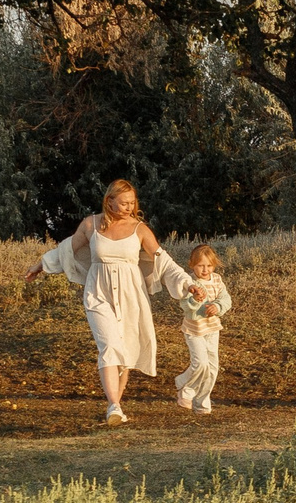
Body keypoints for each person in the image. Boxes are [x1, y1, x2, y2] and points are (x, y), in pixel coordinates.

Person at [19, 178, 190, 426]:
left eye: (132, 203)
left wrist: (187, 283)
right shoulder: (91, 224)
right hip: (98, 293)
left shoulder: (139, 229)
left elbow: (163, 260)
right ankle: (114, 406)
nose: (129, 208)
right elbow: (67, 249)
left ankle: (116, 407)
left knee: (125, 349)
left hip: (131, 295)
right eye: (123, 203)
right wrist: (40, 266)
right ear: (109, 201)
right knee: (109, 345)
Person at [172, 244, 231, 414]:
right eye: (200, 266)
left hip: (212, 328)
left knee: (212, 368)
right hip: (194, 330)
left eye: (209, 266)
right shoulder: (190, 283)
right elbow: (185, 306)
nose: (205, 270)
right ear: (192, 265)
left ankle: (201, 403)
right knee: (201, 364)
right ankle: (185, 386)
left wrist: (217, 307)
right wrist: (195, 300)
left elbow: (226, 299)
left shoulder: (217, 279)